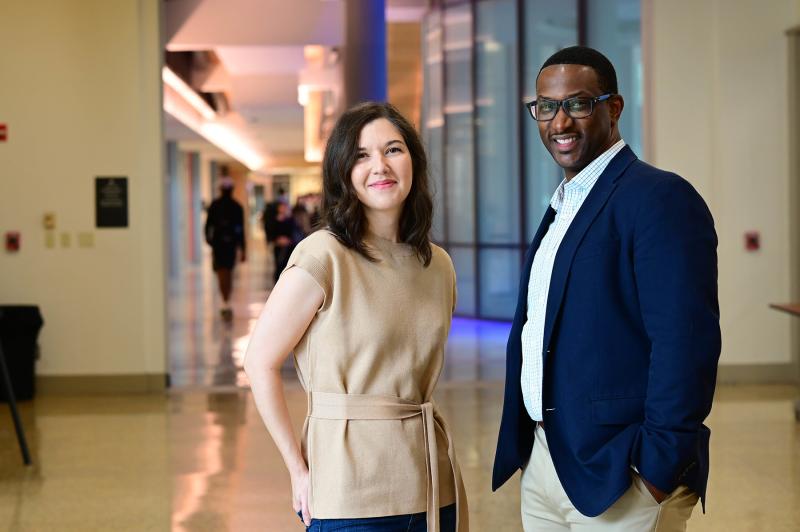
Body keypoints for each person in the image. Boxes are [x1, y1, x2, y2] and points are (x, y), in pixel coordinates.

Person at [492, 46, 721, 531]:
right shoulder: (563, 204)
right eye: (546, 107)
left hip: (621, 474)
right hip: (546, 462)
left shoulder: (659, 198)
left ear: (613, 108)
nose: (560, 123)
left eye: (578, 103)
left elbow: (686, 343)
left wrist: (654, 470)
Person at [243, 102, 468, 532]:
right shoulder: (324, 254)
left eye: (393, 150)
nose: (379, 166)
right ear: (342, 173)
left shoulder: (437, 264)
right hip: (350, 490)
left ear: (414, 163)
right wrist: (297, 467)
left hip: (431, 482)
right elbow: (259, 361)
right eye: (361, 155)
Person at [204, 175, 246, 321]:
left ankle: (225, 301)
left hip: (221, 245)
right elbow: (240, 230)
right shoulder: (236, 206)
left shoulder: (216, 205)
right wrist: (242, 248)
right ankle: (226, 301)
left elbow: (208, 226)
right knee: (226, 272)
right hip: (227, 245)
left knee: (224, 273)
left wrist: (209, 241)